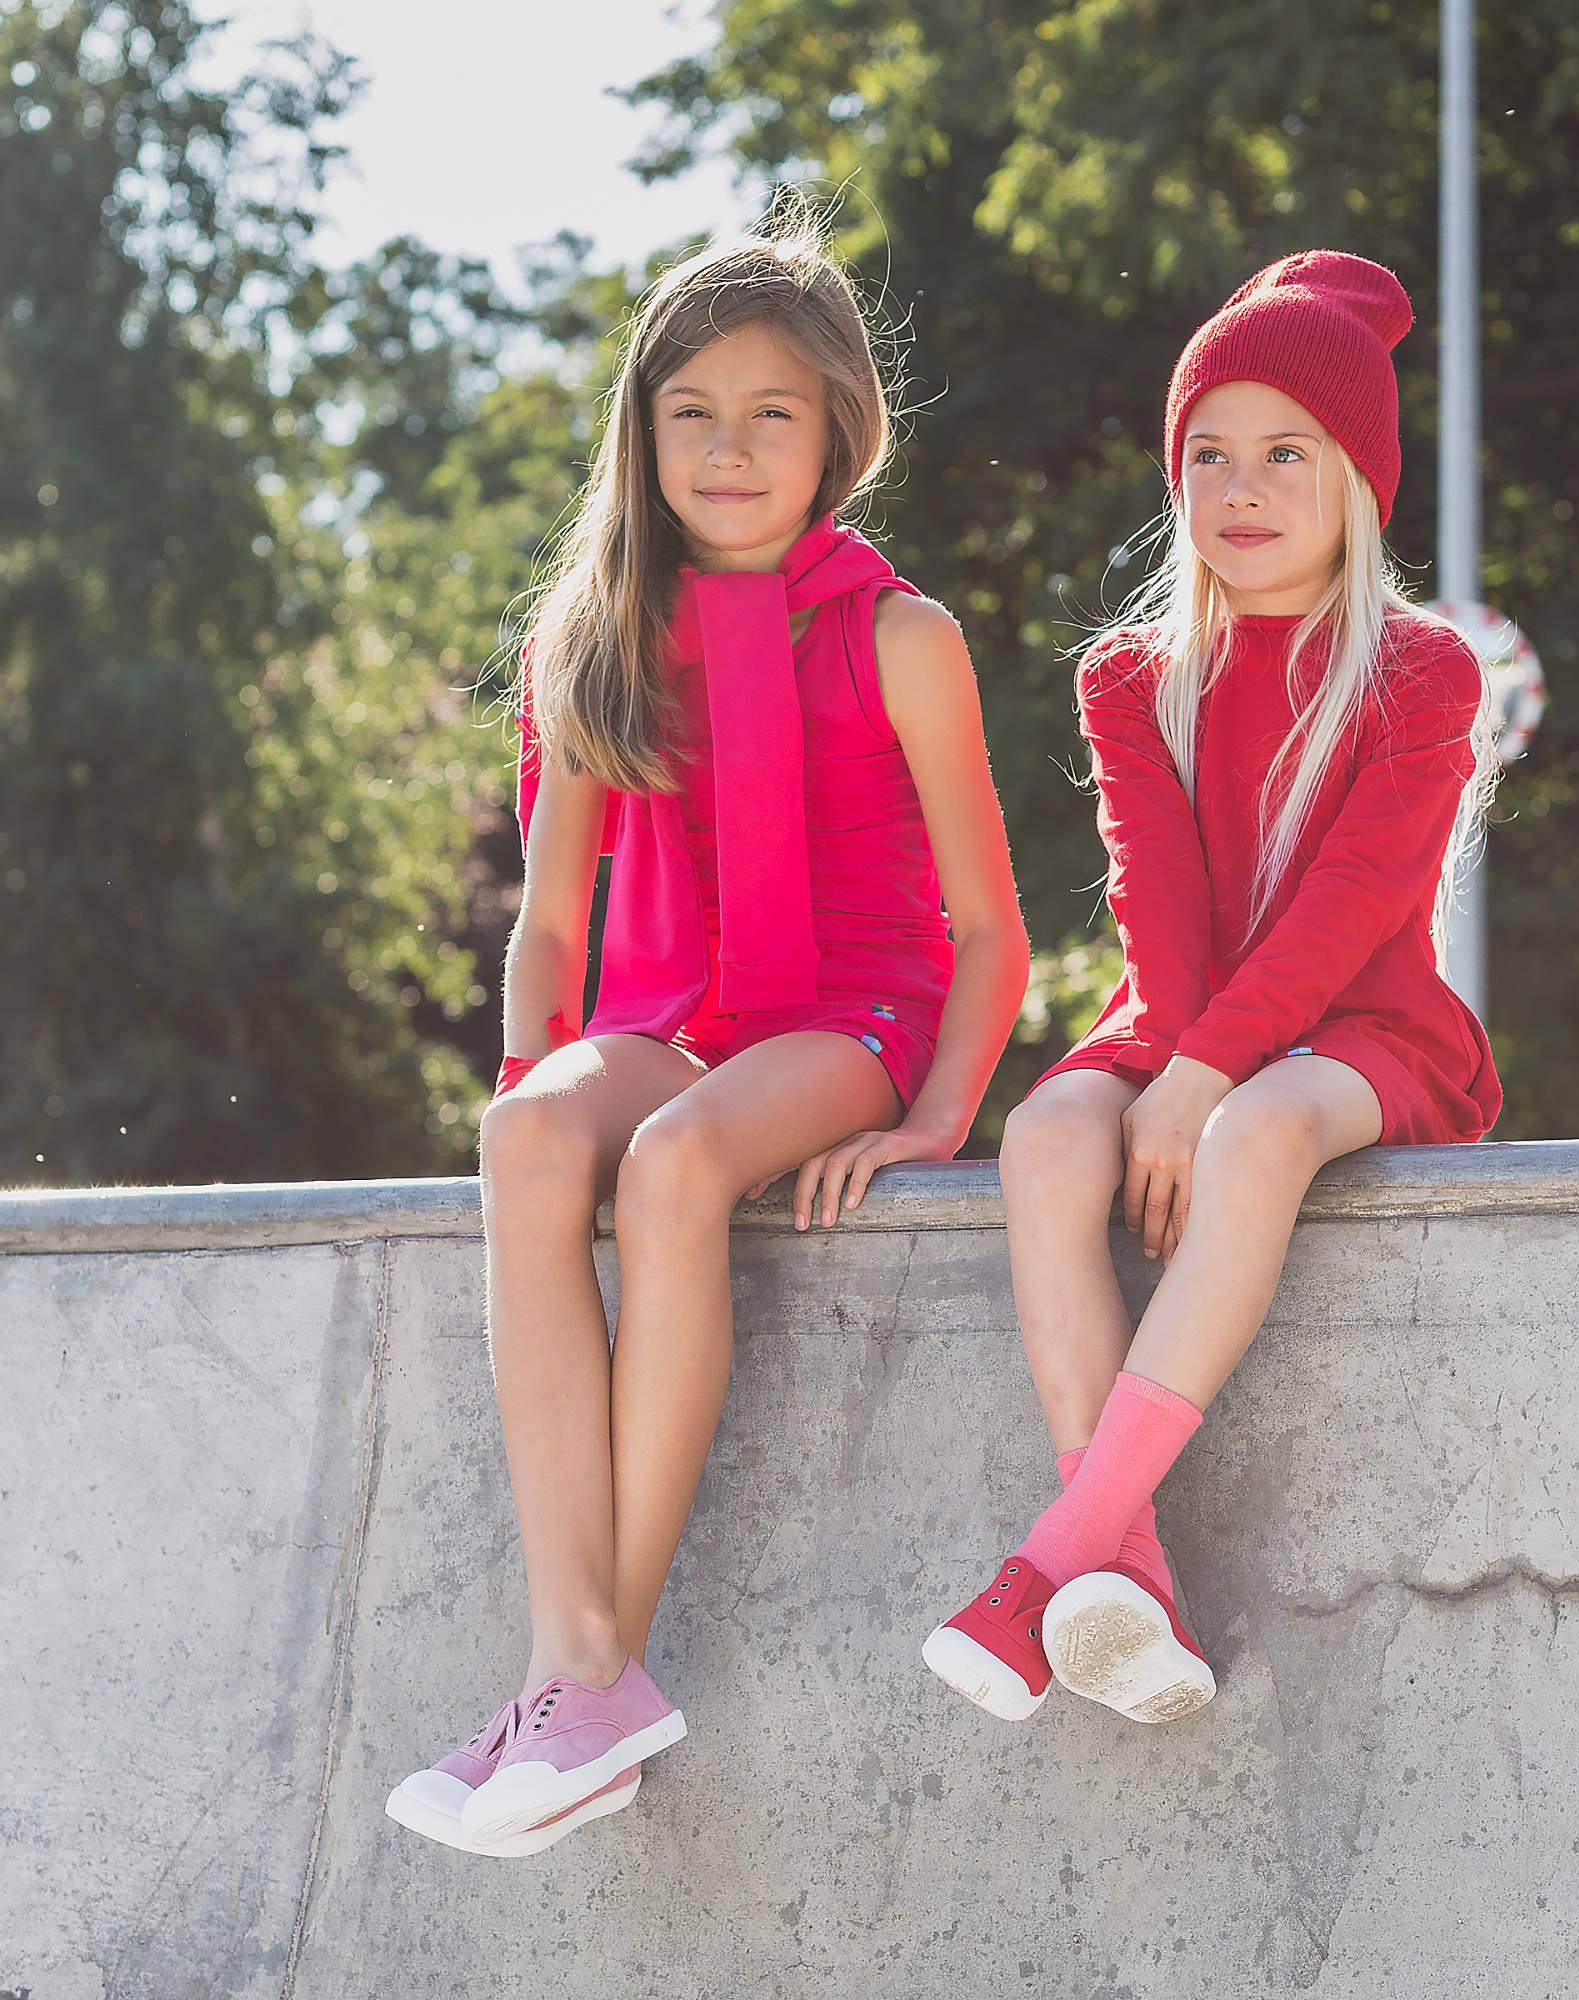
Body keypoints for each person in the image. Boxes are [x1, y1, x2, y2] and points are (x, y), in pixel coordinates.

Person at [387, 201, 1029, 1854]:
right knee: (529, 1137)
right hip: (670, 1017)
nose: (730, 448)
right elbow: (544, 929)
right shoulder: (590, 638)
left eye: (773, 414)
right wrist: (545, 1097)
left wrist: (935, 1115)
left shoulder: (903, 635)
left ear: (838, 434)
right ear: (642, 430)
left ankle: (589, 1685)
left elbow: (986, 928)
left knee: (674, 1172)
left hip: (849, 1014)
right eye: (693, 412)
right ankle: (572, 1668)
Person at [923, 250, 1503, 1727]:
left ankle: (1047, 1564)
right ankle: (1134, 1584)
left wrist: (1205, 1082)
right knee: (1049, 1136)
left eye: (1285, 454)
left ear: (1359, 481)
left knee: (1253, 1131)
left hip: (1360, 1030)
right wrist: (1173, 1059)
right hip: (1181, 1017)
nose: (1240, 487)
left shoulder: (1423, 672)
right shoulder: (1133, 676)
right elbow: (1157, 902)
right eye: (1208, 455)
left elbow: (1347, 911)